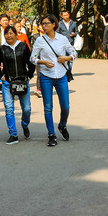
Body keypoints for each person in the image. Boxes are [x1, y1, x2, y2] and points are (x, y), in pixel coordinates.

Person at [31, 14, 77, 146]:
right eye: (42, 24)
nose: (44, 26)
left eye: (46, 23)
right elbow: (32, 58)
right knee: (48, 107)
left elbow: (74, 53)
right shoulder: (40, 41)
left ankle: (62, 125)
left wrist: (66, 58)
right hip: (46, 76)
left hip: (61, 75)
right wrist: (43, 62)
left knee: (65, 106)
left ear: (54, 24)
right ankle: (51, 134)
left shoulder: (62, 39)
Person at [0, 25, 36, 144]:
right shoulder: (2, 49)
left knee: (26, 108)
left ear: (16, 34)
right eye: (6, 34)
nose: (9, 35)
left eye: (11, 33)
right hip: (8, 83)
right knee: (9, 108)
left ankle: (25, 124)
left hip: (22, 81)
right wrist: (1, 76)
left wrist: (29, 75)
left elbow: (31, 62)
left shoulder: (23, 47)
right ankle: (13, 134)